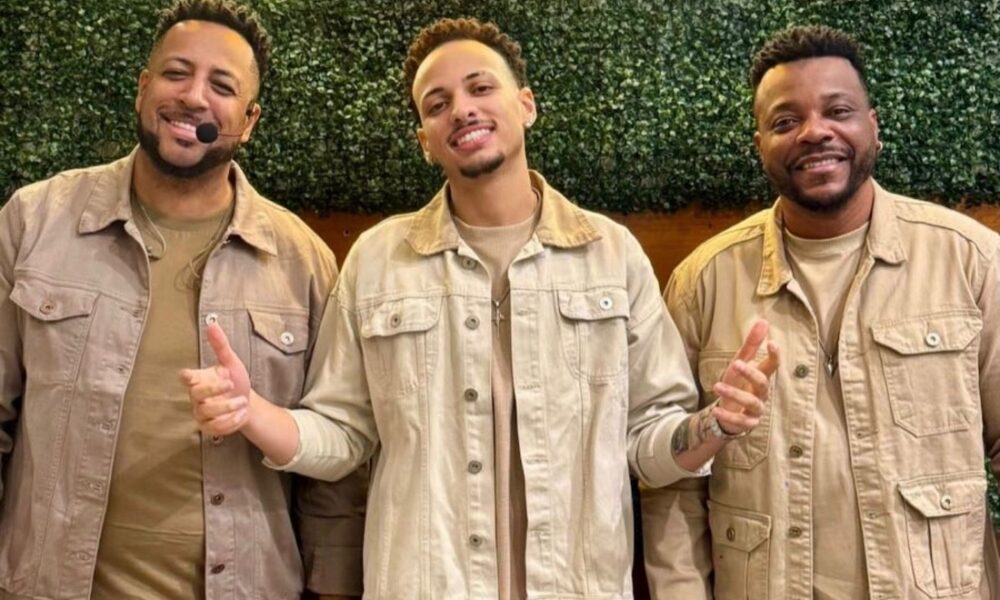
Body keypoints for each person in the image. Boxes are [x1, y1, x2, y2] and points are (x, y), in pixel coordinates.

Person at [183, 17, 777, 600]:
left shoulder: (611, 254)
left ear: (526, 105)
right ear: (425, 140)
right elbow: (342, 435)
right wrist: (252, 411)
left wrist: (715, 425)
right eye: (437, 104)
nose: (461, 110)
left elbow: (649, 443)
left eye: (480, 88)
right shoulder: (378, 260)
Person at [0, 1, 366, 598]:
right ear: (143, 89)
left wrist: (335, 588)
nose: (194, 97)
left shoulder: (303, 262)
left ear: (249, 120)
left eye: (222, 86)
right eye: (176, 73)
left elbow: (333, 472)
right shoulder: (34, 221)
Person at [641, 24, 1000, 600]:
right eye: (786, 121)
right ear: (760, 142)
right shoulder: (703, 282)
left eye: (838, 111)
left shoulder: (971, 260)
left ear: (873, 125)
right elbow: (673, 486)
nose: (815, 132)